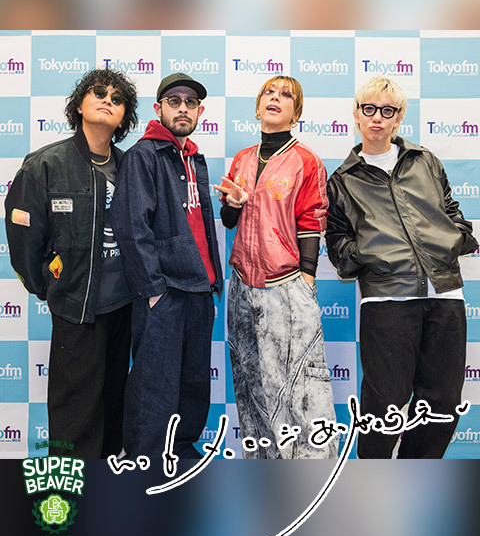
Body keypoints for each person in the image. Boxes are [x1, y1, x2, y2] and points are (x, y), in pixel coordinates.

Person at [326, 75, 478, 459]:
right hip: (386, 300)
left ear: (398, 117)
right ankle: (370, 482)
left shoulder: (425, 161)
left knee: (442, 403)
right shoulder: (343, 180)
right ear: (356, 114)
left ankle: (415, 477)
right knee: (384, 404)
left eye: (387, 110)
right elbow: (339, 247)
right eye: (369, 109)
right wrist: (372, 254)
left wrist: (454, 239)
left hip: (445, 295)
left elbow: (452, 213)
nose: (377, 117)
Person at [5, 68, 139, 458]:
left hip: (124, 308)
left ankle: (108, 485)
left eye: (117, 99)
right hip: (77, 309)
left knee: (113, 410)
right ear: (79, 104)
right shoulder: (45, 165)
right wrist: (49, 286)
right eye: (98, 92)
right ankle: (70, 491)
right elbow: (23, 236)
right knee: (74, 417)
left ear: (124, 118)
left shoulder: (130, 167)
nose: (107, 100)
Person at [214, 75, 338, 459]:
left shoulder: (305, 160)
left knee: (300, 390)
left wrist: (307, 279)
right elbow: (229, 221)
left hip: (285, 285)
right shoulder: (243, 159)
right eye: (269, 92)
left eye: (286, 95)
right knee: (251, 386)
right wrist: (233, 204)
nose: (275, 98)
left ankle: (313, 477)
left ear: (295, 113)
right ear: (257, 107)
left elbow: (312, 222)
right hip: (242, 286)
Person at [110, 72, 223, 460]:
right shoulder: (144, 156)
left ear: (200, 111)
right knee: (154, 384)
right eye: (174, 101)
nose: (183, 108)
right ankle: (145, 459)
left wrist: (212, 281)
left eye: (191, 102)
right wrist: (153, 289)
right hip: (165, 291)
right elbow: (131, 226)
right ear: (159, 108)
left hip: (200, 289)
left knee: (193, 381)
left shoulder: (194, 158)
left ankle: (183, 449)